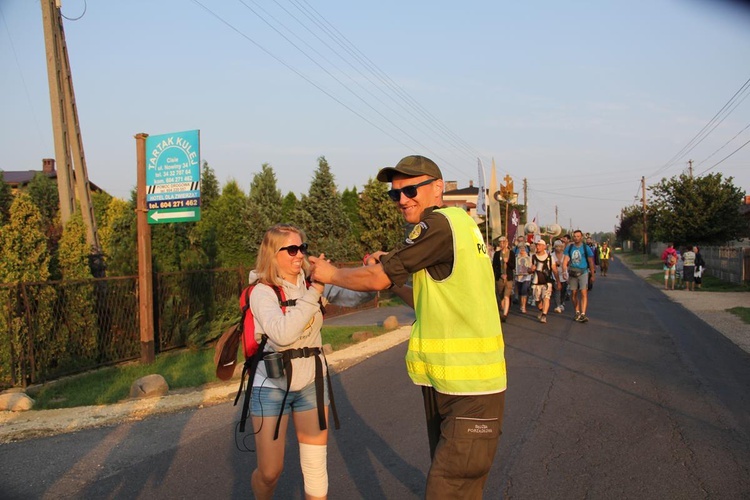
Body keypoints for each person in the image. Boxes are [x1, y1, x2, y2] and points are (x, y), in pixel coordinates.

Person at [309, 155, 506, 499]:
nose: (402, 200)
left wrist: (331, 275)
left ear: (438, 188)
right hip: (450, 384)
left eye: (411, 189)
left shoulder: (438, 225)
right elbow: (424, 301)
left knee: (446, 491)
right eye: (395, 194)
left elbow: (378, 277)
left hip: (470, 390)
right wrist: (393, 279)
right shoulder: (458, 226)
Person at [248, 224, 331, 500]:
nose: (300, 255)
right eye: (292, 249)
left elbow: (354, 294)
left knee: (316, 473)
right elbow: (282, 335)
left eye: (302, 248)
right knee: (270, 472)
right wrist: (315, 291)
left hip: (311, 383)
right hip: (272, 385)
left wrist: (375, 269)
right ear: (273, 254)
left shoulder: (309, 283)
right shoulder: (262, 292)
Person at [563, 230, 595, 323]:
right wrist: (564, 272)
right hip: (573, 272)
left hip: (583, 272)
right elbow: (565, 261)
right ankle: (577, 311)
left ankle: (583, 314)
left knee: (584, 293)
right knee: (574, 293)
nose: (576, 238)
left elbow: (590, 262)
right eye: (575, 236)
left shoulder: (586, 248)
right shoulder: (569, 248)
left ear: (581, 237)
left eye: (578, 236)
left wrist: (592, 275)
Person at [530, 239, 557, 323]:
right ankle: (541, 310)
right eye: (536, 245)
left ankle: (544, 315)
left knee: (546, 297)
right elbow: (528, 270)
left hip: (547, 281)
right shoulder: (533, 257)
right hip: (536, 282)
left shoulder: (549, 257)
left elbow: (554, 269)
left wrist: (558, 281)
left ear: (544, 247)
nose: (537, 247)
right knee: (537, 299)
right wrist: (531, 269)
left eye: (539, 245)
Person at [492, 235, 515, 322]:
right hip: (500, 278)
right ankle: (502, 308)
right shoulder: (497, 254)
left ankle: (505, 314)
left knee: (506, 296)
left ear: (507, 243)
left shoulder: (511, 253)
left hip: (508, 278)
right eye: (500, 243)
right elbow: (494, 267)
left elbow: (513, 266)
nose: (502, 244)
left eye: (504, 242)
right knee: (501, 295)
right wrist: (500, 275)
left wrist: (507, 262)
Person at [514, 243, 533, 314]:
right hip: (518, 277)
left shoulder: (529, 257)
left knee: (524, 290)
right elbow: (514, 266)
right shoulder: (516, 257)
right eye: (520, 248)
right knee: (520, 291)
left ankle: (523, 306)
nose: (522, 250)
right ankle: (521, 304)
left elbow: (531, 267)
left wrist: (530, 270)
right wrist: (515, 270)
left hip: (526, 277)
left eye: (523, 248)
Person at [551, 239, 568, 313]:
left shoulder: (565, 255)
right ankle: (557, 305)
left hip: (563, 275)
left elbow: (566, 265)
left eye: (559, 246)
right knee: (557, 290)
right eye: (556, 246)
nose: (558, 248)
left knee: (563, 290)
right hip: (554, 274)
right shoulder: (551, 255)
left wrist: (565, 273)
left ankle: (561, 302)